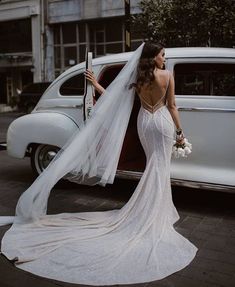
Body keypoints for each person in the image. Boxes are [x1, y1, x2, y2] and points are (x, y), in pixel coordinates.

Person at [0, 42, 197, 286]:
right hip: (163, 123)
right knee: (160, 167)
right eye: (162, 55)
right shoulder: (167, 76)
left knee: (152, 166)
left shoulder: (138, 77)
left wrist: (95, 84)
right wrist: (179, 131)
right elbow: (172, 106)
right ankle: (155, 212)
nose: (164, 59)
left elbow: (115, 99)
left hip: (144, 123)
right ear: (154, 57)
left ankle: (155, 209)